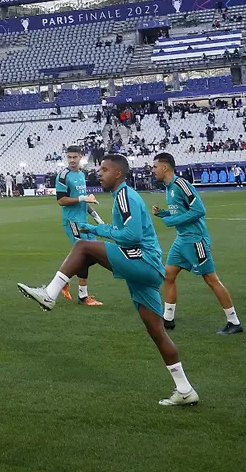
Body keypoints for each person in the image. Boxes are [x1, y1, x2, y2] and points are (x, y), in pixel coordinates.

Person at [18, 155, 200, 406]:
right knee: (156, 331)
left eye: (104, 169)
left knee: (83, 247)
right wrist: (101, 232)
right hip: (146, 267)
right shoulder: (122, 196)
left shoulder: (125, 195)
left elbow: (130, 235)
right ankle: (185, 390)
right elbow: (127, 236)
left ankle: (50, 294)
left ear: (118, 174)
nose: (99, 173)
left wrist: (94, 230)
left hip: (143, 261)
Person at [151, 153, 241, 335]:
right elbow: (180, 211)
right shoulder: (169, 188)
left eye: (155, 167)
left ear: (165, 167)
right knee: (168, 275)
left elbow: (199, 210)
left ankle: (234, 321)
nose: (153, 170)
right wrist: (165, 214)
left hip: (195, 240)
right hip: (181, 240)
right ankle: (168, 319)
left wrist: (172, 221)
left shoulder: (182, 185)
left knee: (211, 279)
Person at [56, 146, 105, 306]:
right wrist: (83, 199)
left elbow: (84, 201)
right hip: (72, 221)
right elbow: (61, 200)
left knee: (93, 253)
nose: (71, 160)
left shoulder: (81, 174)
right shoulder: (64, 175)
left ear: (81, 157)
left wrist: (97, 218)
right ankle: (83, 297)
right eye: (69, 157)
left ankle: (64, 277)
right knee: (85, 254)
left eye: (74, 157)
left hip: (84, 221)